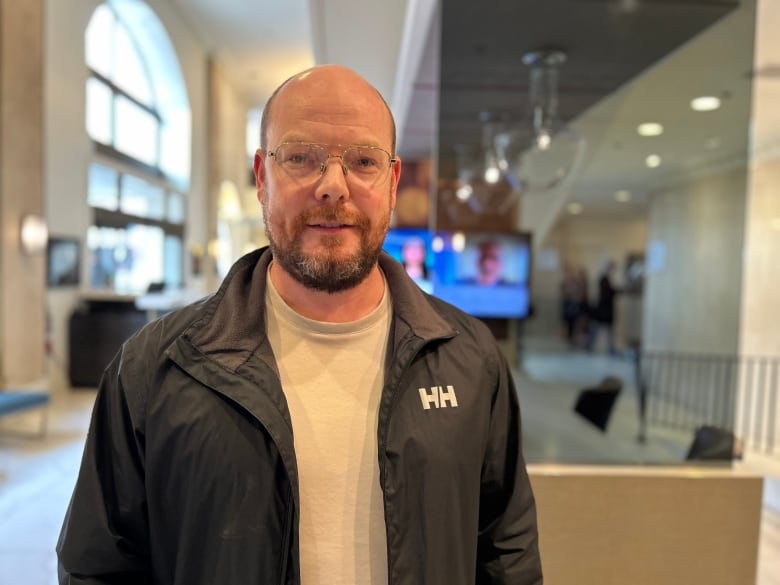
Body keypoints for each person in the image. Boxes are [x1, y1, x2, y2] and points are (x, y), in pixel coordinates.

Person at [56, 65, 543, 585]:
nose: (333, 187)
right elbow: (98, 567)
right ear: (262, 178)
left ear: (393, 182)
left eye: (362, 160)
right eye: (300, 158)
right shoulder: (155, 368)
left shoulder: (470, 359)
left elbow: (505, 552)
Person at [587, 259, 620, 355]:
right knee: (596, 328)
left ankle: (611, 347)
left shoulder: (607, 279)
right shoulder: (603, 279)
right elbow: (608, 293)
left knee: (607, 330)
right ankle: (590, 344)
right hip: (603, 309)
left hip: (606, 309)